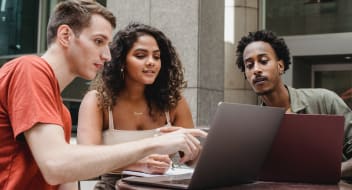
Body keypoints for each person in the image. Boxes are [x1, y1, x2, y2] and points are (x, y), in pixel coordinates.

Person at [0, 1, 206, 189]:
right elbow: (56, 166)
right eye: (98, 41)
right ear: (65, 35)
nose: (107, 56)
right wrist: (154, 144)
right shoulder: (29, 69)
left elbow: (68, 177)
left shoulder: (60, 112)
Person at [77, 22, 196, 189]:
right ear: (121, 61)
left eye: (156, 56)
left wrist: (195, 149)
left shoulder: (174, 102)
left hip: (164, 186)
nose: (151, 62)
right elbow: (84, 162)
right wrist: (137, 164)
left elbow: (192, 161)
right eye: (141, 56)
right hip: (115, 185)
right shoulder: (98, 101)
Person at [235, 30, 352, 178]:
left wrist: (332, 172)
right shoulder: (252, 128)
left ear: (280, 66)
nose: (256, 69)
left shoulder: (325, 100)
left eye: (263, 61)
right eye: (249, 65)